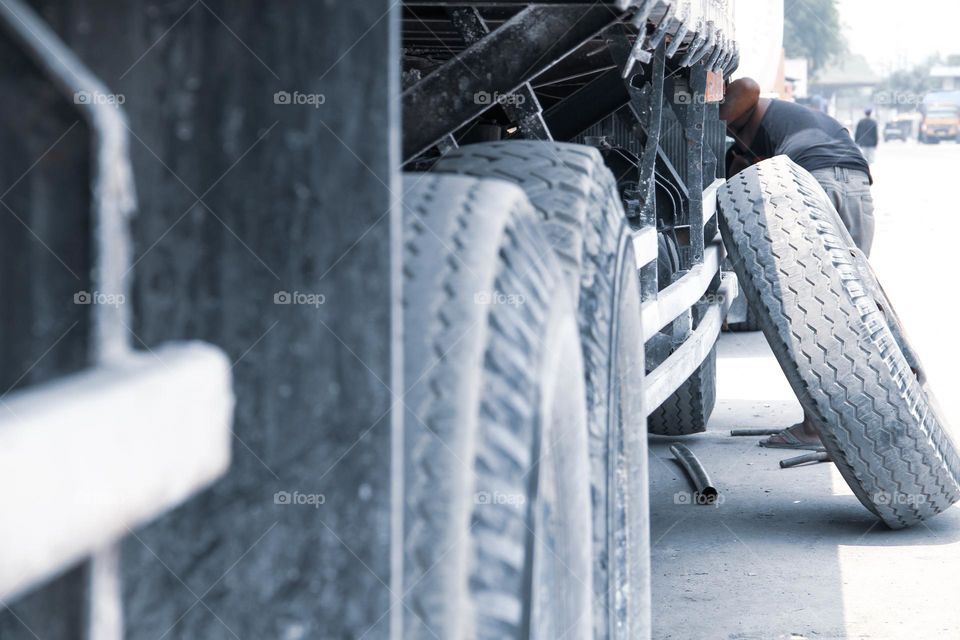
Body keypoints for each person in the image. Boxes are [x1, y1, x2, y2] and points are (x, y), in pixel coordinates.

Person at [720, 78, 876, 449]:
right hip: (857, 181)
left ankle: (813, 428)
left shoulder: (751, 114)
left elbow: (749, 85)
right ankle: (890, 394)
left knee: (814, 313)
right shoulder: (790, 122)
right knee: (858, 299)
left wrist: (711, 116)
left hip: (816, 181)